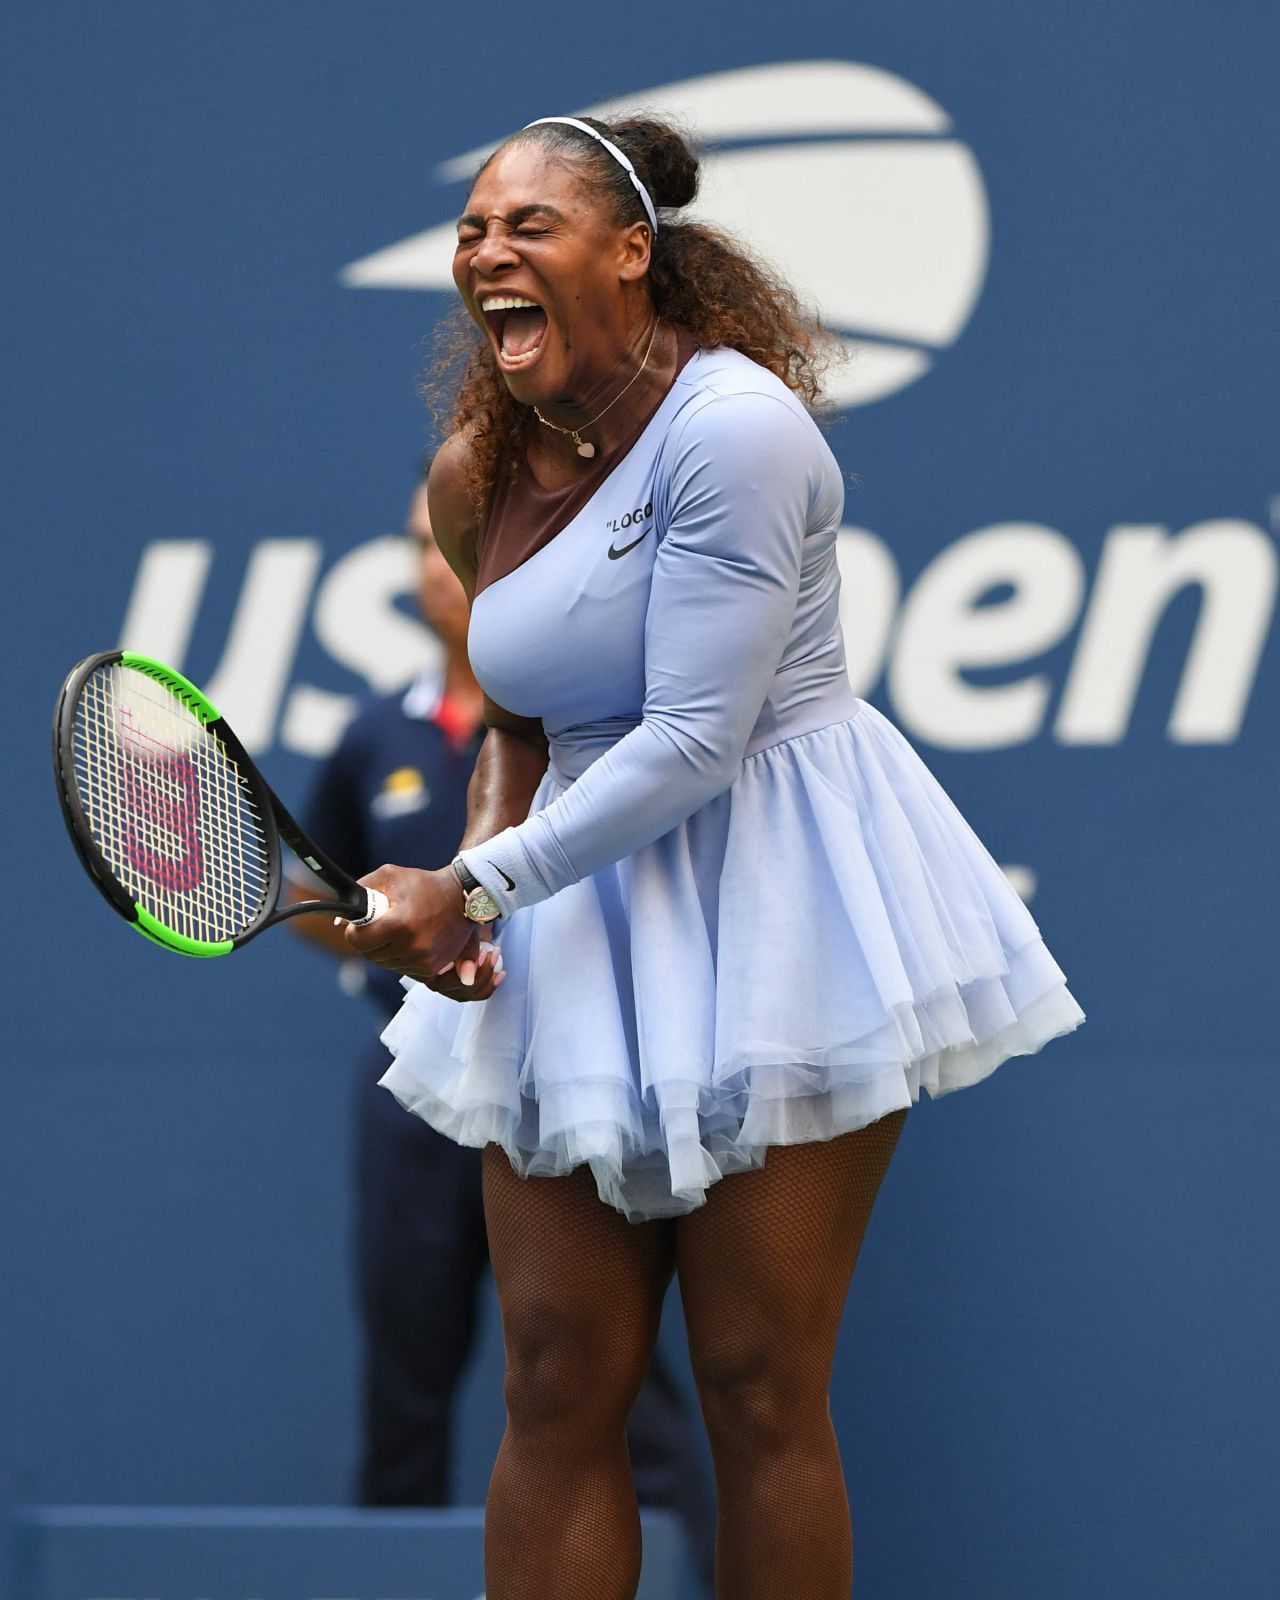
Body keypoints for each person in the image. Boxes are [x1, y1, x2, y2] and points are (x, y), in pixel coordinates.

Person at [343, 114, 1086, 1600]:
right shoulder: (475, 469)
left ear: (632, 250)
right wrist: (485, 874)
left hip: (779, 902)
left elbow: (693, 740)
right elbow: (520, 720)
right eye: (475, 227)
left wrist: (480, 880)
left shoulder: (741, 431)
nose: (488, 249)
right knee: (555, 1383)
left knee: (755, 1384)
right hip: (572, 913)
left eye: (529, 224)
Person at [290, 467, 715, 1583]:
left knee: (617, 1377)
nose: (447, 571)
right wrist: (384, 930)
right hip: (414, 1093)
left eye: (463, 548)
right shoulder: (369, 731)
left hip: (562, 1082)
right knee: (404, 1375)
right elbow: (321, 900)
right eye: (427, 552)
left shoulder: (585, 722)